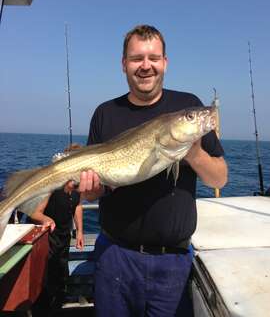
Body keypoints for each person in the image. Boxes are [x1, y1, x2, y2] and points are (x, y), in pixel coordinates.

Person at [80, 25, 228, 316]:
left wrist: (194, 152)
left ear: (165, 62)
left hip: (172, 263)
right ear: (124, 64)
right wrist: (89, 190)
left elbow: (220, 177)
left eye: (154, 58)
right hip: (114, 257)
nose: (146, 66)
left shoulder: (188, 105)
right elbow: (93, 192)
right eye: (136, 59)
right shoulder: (105, 113)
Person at [31, 145, 84, 312]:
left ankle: (59, 304)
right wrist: (47, 219)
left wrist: (80, 232)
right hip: (48, 239)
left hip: (64, 237)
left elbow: (78, 207)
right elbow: (35, 213)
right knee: (47, 278)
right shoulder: (52, 186)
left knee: (62, 274)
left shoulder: (78, 188)